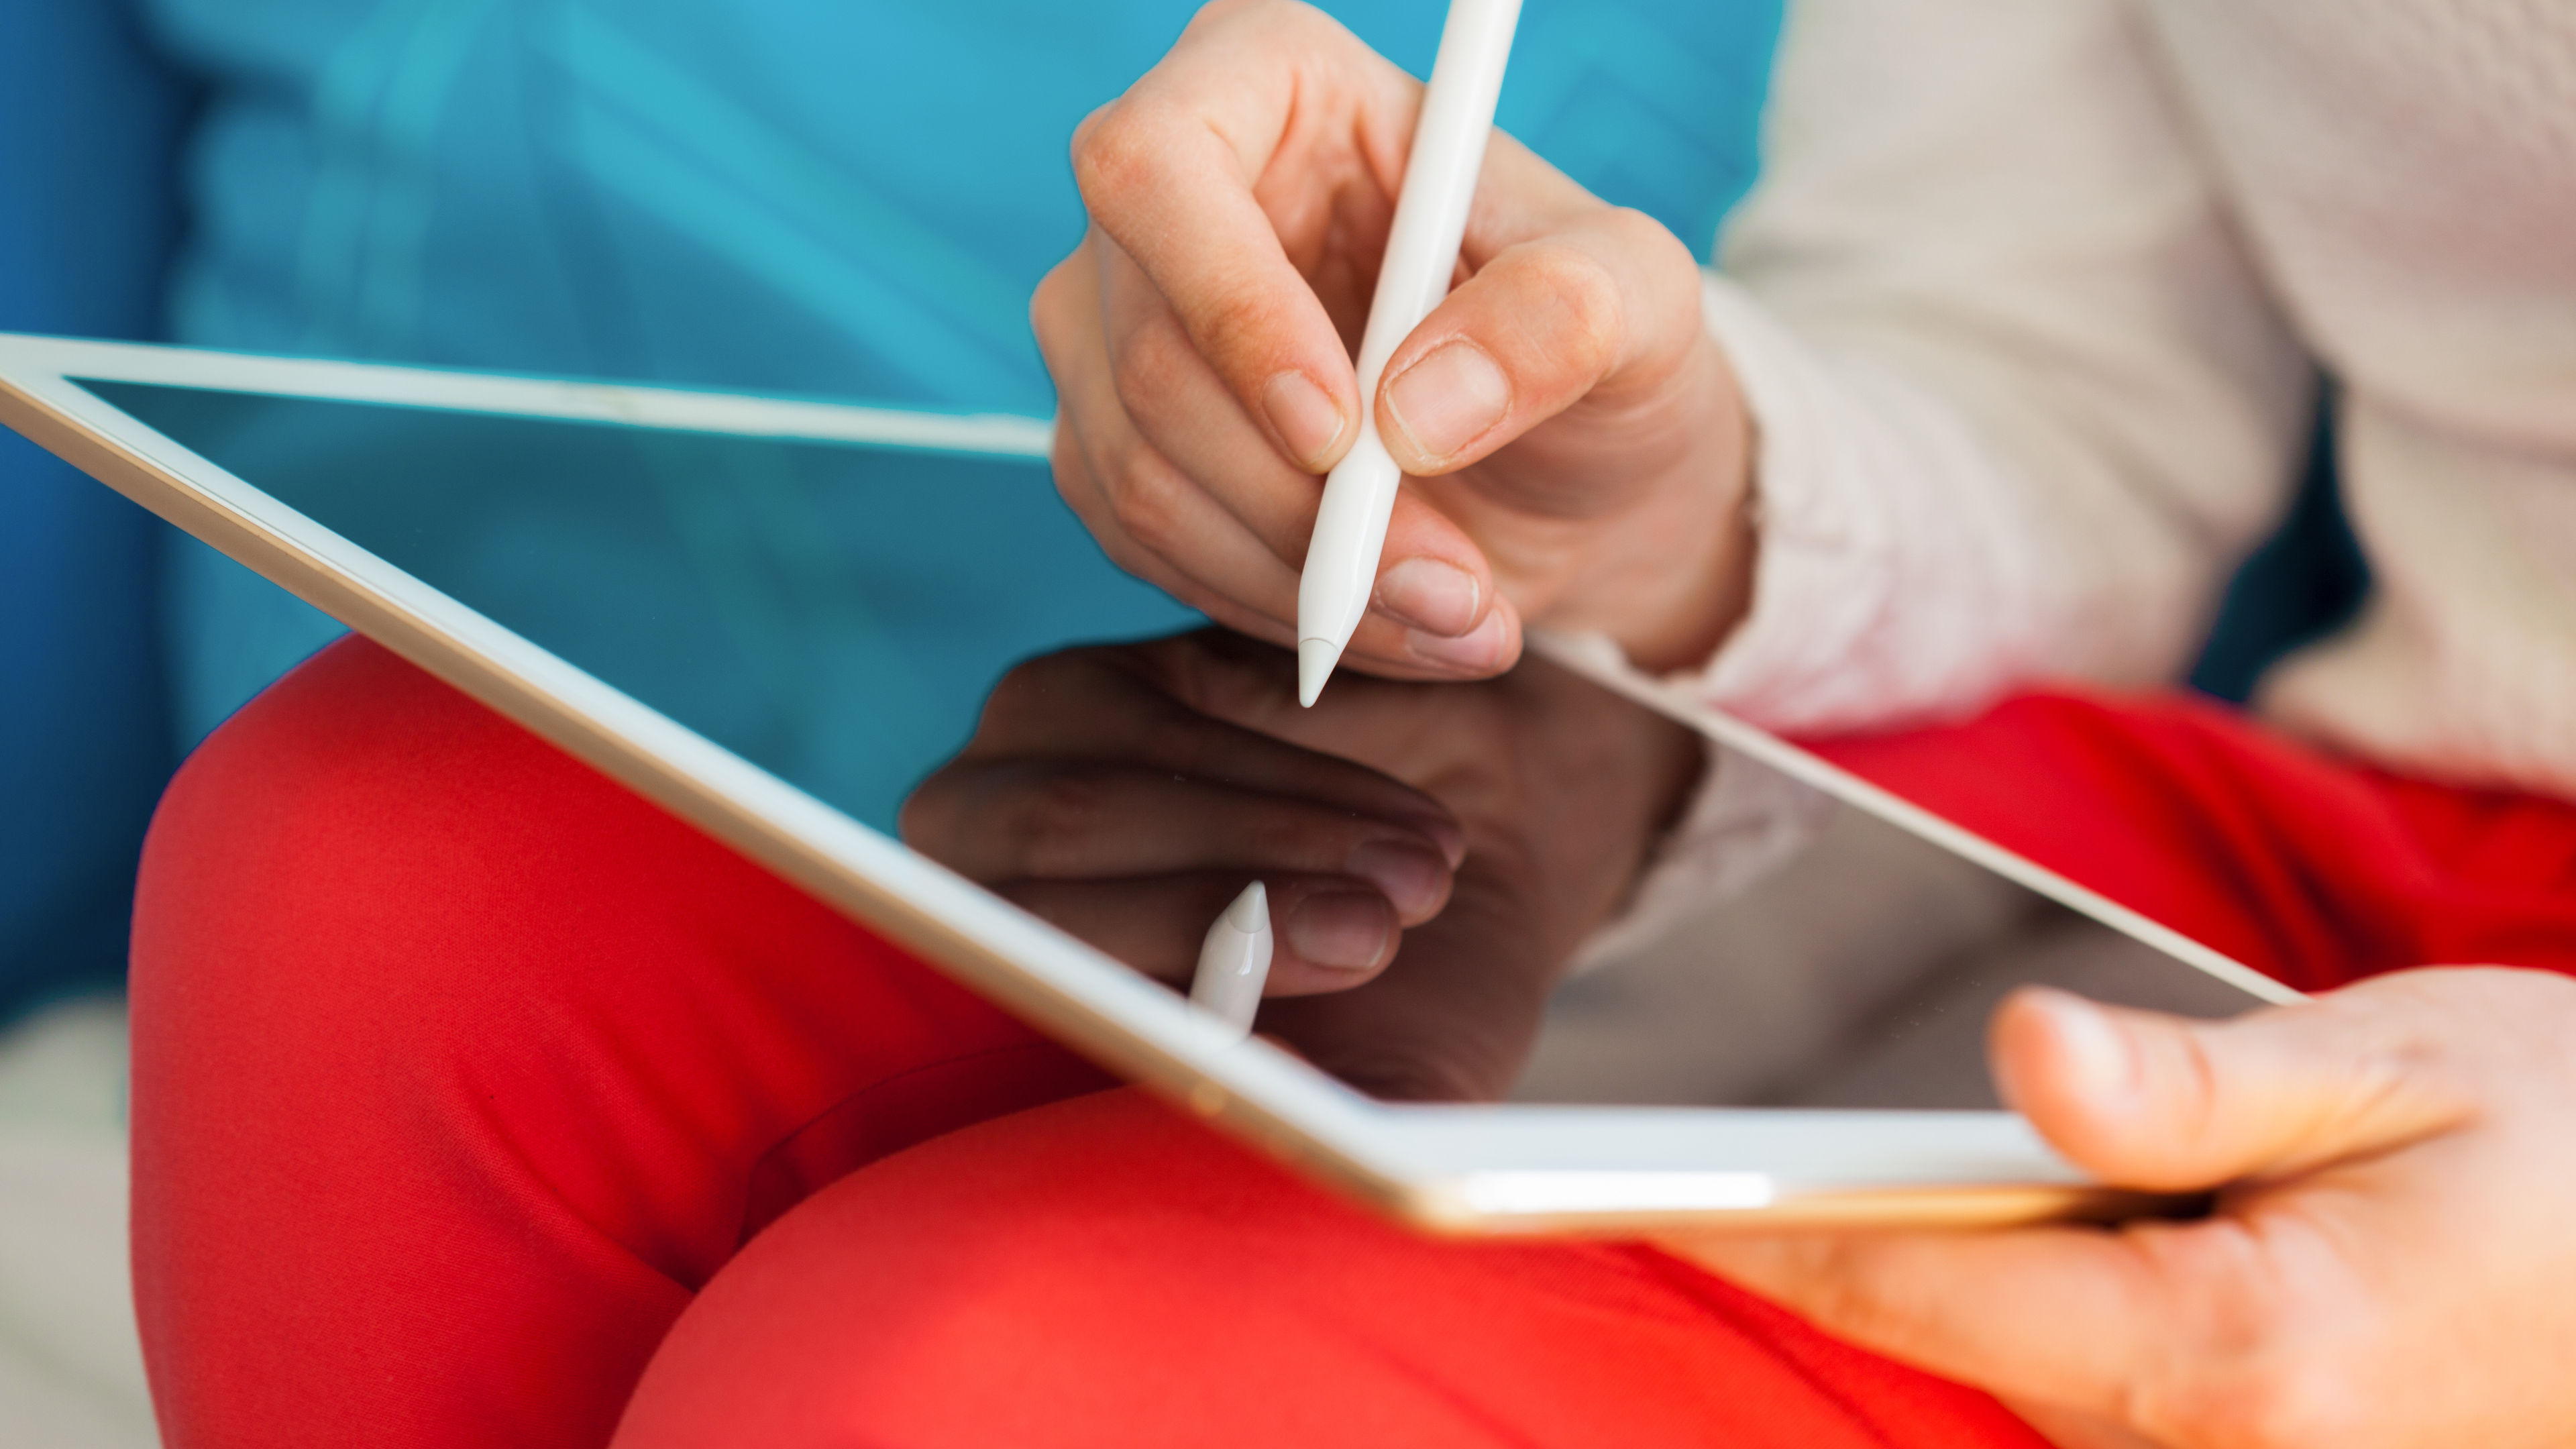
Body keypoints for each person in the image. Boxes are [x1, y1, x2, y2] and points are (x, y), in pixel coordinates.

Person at [129, 2, 2576, 1447]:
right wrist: (1650, 486)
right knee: (393, 877)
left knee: (977, 1384)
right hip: (2360, 822)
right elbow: (2062, 379)